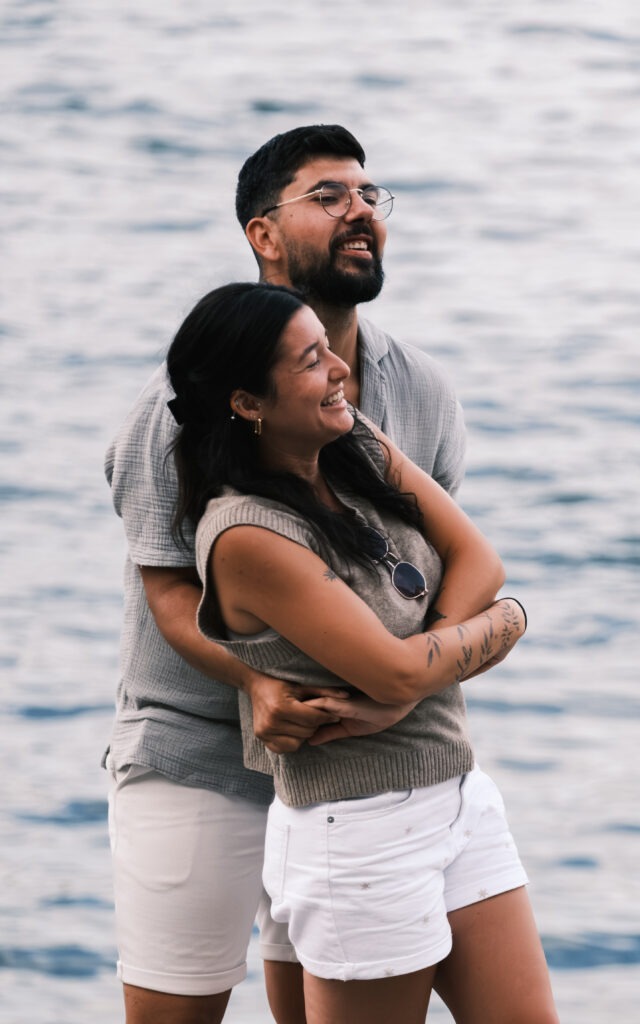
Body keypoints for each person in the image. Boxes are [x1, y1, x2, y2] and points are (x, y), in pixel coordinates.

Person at [104, 124, 473, 1024]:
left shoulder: (417, 390)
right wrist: (253, 678)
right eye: (327, 195)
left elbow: (451, 561)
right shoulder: (179, 404)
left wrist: (406, 688)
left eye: (368, 195)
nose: (359, 212)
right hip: (194, 752)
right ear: (261, 234)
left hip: (345, 771)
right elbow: (167, 589)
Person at [165, 280, 559, 1024]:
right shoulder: (249, 535)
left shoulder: (353, 443)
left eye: (329, 347)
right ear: (247, 403)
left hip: (456, 792)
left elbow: (478, 560)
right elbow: (407, 661)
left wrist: (424, 669)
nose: (339, 369)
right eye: (310, 361)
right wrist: (499, 625)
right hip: (360, 833)